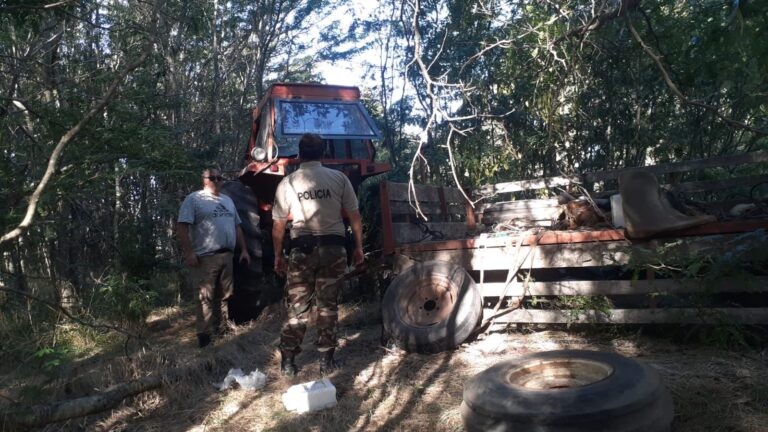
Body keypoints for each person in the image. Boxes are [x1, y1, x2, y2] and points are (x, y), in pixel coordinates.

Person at [272, 133, 364, 375]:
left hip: (301, 250)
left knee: (298, 306)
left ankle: (288, 363)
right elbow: (355, 217)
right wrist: (358, 248)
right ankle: (326, 362)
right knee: (327, 306)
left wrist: (278, 256)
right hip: (334, 249)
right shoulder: (339, 178)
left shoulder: (288, 183)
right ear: (323, 153)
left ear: (300, 154)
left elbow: (278, 226)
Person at [177, 168, 251, 348]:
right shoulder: (194, 199)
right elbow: (181, 227)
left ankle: (221, 330)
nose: (217, 180)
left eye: (220, 178)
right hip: (205, 257)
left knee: (225, 295)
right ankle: (205, 337)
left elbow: (237, 227)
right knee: (205, 297)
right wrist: (189, 253)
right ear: (204, 180)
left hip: (227, 255)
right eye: (213, 178)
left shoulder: (228, 200)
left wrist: (244, 250)